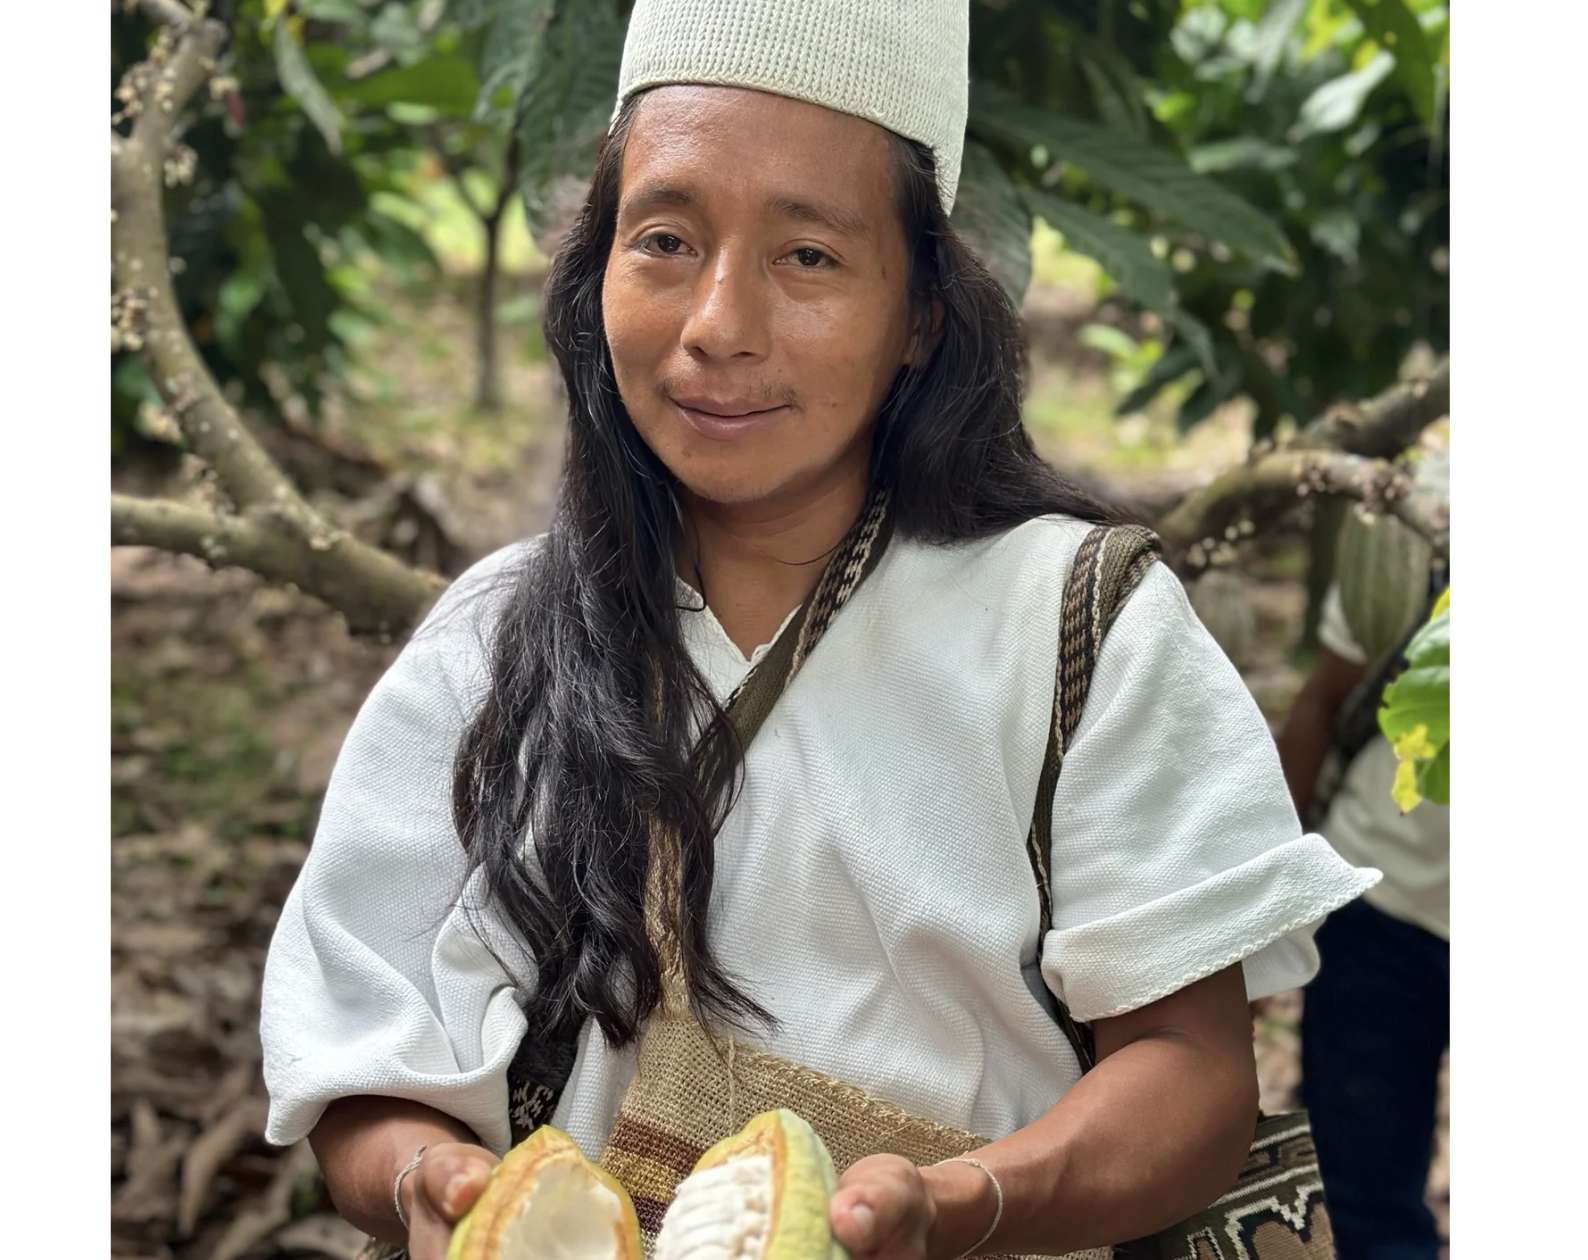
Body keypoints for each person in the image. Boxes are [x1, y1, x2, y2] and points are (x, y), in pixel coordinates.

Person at [259, 3, 1379, 1258]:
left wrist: (966, 1204)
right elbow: (365, 1058)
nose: (718, 324)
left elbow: (1186, 1067)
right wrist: (428, 1180)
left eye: (809, 258)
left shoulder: (1074, 625)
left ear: (923, 317)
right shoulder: (491, 644)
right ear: (596, 276)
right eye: (667, 240)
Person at [1276, 571, 1449, 1260]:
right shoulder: (1424, 519)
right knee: (1357, 1199)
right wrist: (1270, 915)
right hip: (1378, 908)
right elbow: (1326, 696)